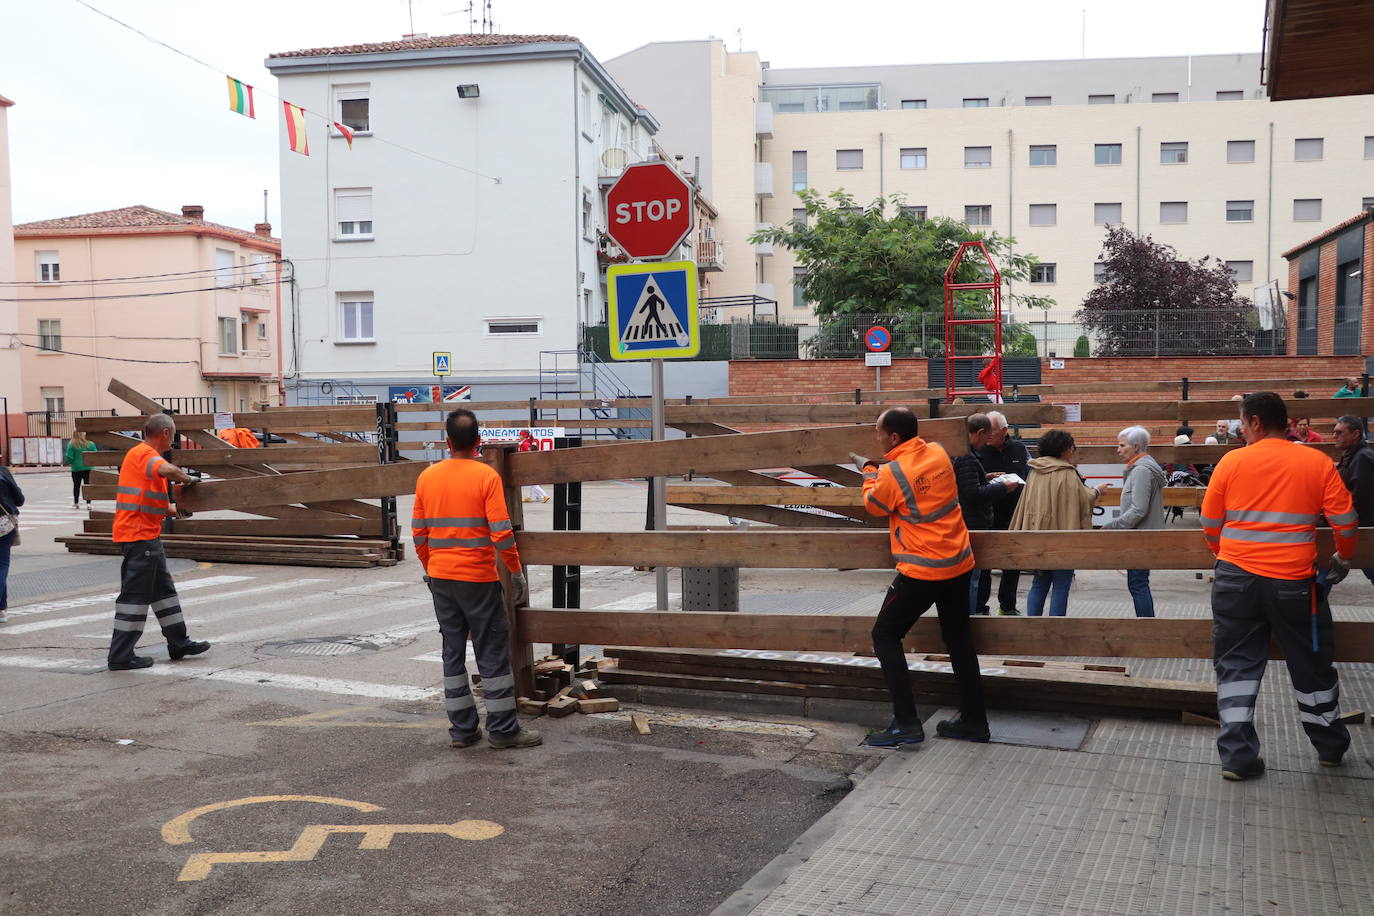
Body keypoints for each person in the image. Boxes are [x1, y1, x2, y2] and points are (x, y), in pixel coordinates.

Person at [1201, 392, 1357, 781]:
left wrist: (1227, 555)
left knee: (1236, 665)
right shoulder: (1316, 461)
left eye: (1241, 422)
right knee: (1310, 664)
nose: (1240, 429)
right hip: (1293, 583)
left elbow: (1210, 523)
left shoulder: (1231, 461)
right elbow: (1346, 521)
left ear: (1254, 421)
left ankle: (1237, 758)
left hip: (1235, 579)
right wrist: (1344, 556)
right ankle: (1330, 748)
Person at [852, 407, 990, 746]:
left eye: (879, 432)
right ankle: (974, 722)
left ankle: (906, 722)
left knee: (884, 634)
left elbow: (874, 504)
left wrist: (869, 471)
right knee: (959, 641)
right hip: (958, 562)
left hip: (922, 569)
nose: (877, 437)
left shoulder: (892, 474)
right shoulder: (938, 452)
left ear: (894, 437)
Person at [413, 408, 540, 749]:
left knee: (452, 652)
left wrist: (432, 566)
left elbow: (418, 533)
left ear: (448, 441)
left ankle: (463, 730)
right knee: (491, 651)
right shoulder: (486, 477)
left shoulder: (428, 477)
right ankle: (502, 730)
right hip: (479, 580)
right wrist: (514, 572)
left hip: (441, 578)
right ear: (479, 442)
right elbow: (502, 532)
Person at [106, 414, 210, 670]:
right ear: (165, 432)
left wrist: (179, 511)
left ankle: (179, 643)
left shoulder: (141, 458)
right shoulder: (144, 454)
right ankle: (120, 656)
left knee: (164, 593)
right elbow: (165, 468)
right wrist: (188, 480)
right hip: (139, 537)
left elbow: (154, 503)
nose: (173, 440)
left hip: (146, 537)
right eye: (173, 434)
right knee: (135, 597)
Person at [1008, 429, 1103, 616]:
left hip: (1039, 539)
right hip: (1062, 540)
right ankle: (1056, 626)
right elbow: (1083, 499)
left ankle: (1032, 625)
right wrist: (1097, 491)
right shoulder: (1067, 473)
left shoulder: (1035, 472)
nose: (1072, 451)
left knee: (1039, 583)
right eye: (1071, 448)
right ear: (1063, 450)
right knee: (1061, 584)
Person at [954, 413, 1019, 614]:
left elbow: (969, 485)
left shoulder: (965, 454)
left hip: (971, 521)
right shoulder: (967, 457)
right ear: (980, 432)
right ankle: (971, 618)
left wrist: (986, 477)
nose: (987, 442)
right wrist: (1003, 488)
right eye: (987, 436)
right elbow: (973, 494)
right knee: (973, 578)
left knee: (974, 576)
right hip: (972, 523)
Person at [1100, 426, 1166, 617]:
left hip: (1140, 538)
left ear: (1136, 447)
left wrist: (1112, 526)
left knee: (1138, 584)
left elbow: (1138, 509)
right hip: (1140, 536)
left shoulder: (1141, 471)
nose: (1118, 449)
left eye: (1122, 445)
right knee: (1138, 583)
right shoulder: (1140, 468)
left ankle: (1146, 627)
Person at [975, 410, 1031, 615]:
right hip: (987, 515)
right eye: (987, 429)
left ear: (1005, 430)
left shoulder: (1019, 449)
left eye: (994, 430)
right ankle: (980, 607)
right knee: (984, 567)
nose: (989, 434)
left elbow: (1029, 475)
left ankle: (1007, 607)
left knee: (1012, 563)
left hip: (1013, 515)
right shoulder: (979, 450)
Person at [1325, 415, 1374, 589]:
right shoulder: (1353, 456)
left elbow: (1359, 498)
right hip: (1356, 529)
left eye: (1339, 432)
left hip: (1361, 530)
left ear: (1355, 434)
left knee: (1321, 584)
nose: (1334, 436)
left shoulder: (1361, 458)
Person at [0, 459, 24, 623]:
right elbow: (20, 499)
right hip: (4, 524)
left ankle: (2, 608)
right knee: (2, 565)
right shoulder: (3, 472)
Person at [63, 430, 97, 508]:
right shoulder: (90, 444)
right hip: (89, 468)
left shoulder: (72, 444)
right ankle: (89, 503)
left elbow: (70, 457)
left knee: (76, 486)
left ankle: (76, 502)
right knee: (87, 485)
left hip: (76, 468)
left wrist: (67, 463)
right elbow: (95, 454)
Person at [517, 430, 549, 503]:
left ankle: (544, 495)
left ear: (524, 436)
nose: (519, 436)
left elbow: (528, 455)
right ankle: (530, 497)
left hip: (528, 465)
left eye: (520, 435)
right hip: (529, 464)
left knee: (532, 482)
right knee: (532, 482)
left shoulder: (525, 444)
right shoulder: (526, 443)